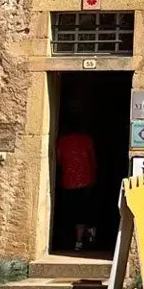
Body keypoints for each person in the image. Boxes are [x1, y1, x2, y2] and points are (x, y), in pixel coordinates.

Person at [56, 106, 98, 251]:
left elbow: (59, 161)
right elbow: (93, 161)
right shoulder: (86, 140)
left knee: (71, 212)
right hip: (87, 180)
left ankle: (77, 240)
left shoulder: (62, 141)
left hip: (68, 181)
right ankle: (85, 236)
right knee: (85, 209)